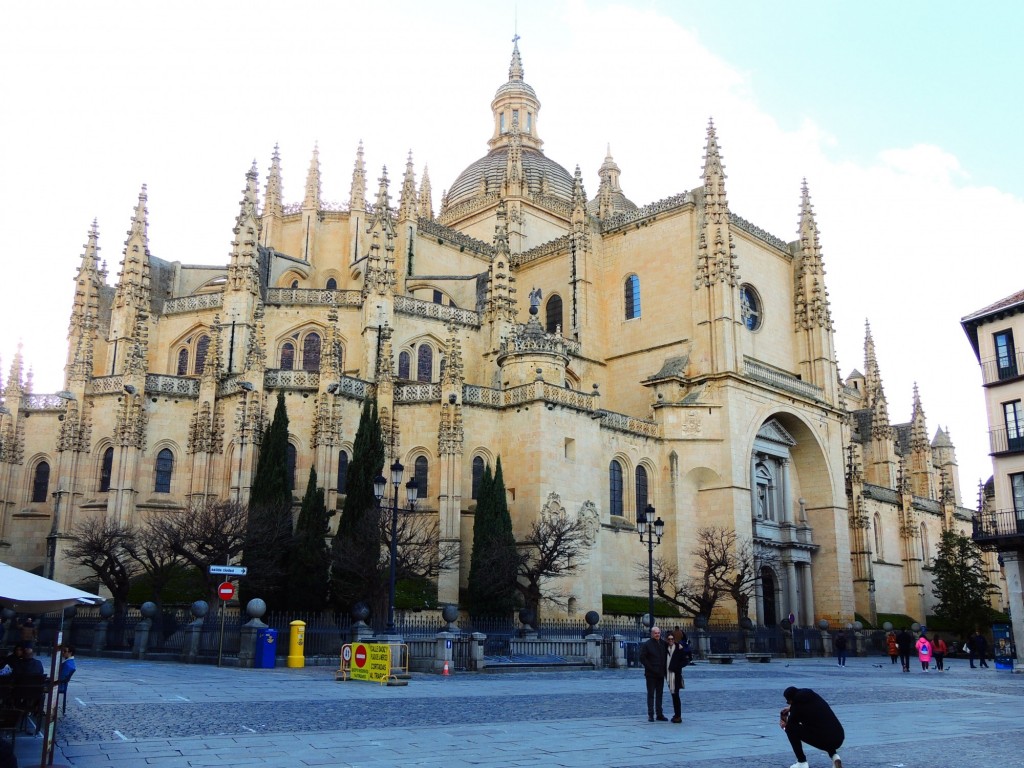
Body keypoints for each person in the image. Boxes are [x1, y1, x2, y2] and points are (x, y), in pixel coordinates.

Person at [780, 686, 845, 768]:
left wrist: (784, 727)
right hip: (839, 737)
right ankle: (835, 757)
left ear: (791, 699)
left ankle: (802, 762)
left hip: (825, 739)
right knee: (823, 731)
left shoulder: (796, 708)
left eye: (788, 702)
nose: (789, 704)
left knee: (790, 728)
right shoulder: (813, 696)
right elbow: (806, 707)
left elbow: (791, 725)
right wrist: (791, 708)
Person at [638, 625, 668, 722]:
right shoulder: (647, 644)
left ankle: (659, 714)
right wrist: (650, 668)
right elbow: (642, 658)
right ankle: (651, 714)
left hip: (660, 673)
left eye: (658, 633)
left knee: (660, 694)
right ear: (652, 634)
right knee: (651, 694)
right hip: (651, 674)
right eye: (655, 633)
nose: (657, 635)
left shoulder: (663, 643)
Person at [665, 632, 685, 723]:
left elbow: (686, 660)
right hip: (668, 675)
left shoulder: (678, 648)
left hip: (676, 675)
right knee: (673, 695)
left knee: (676, 695)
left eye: (672, 639)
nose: (670, 641)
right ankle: (676, 714)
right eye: (669, 639)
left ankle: (678, 716)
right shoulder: (665, 648)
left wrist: (677, 667)